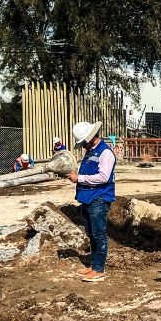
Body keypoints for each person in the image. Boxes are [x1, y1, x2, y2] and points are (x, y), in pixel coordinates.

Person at [67, 121, 116, 283]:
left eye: (83, 143)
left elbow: (104, 177)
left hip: (99, 198)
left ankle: (99, 269)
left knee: (99, 234)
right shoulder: (91, 152)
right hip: (88, 197)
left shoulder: (105, 153)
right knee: (91, 233)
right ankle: (93, 265)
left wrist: (79, 178)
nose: (83, 146)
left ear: (90, 138)